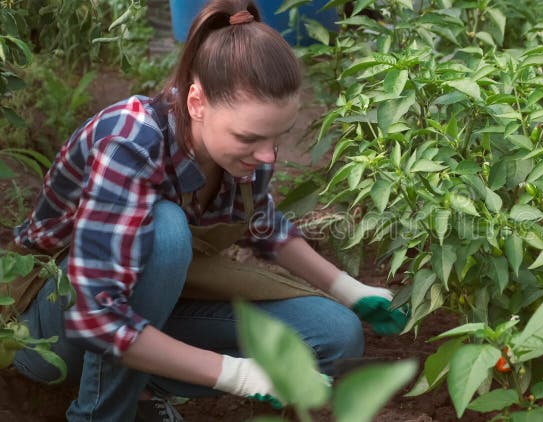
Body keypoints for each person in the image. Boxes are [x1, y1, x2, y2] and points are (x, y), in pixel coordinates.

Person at [7, 0, 408, 420]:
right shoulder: (129, 142)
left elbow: (264, 227)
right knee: (167, 233)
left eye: (277, 137)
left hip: (147, 308)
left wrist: (351, 291)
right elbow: (97, 317)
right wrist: (234, 374)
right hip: (54, 329)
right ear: (197, 102)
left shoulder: (240, 152)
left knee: (333, 336)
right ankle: (101, 412)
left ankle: (145, 389)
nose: (268, 155)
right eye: (250, 137)